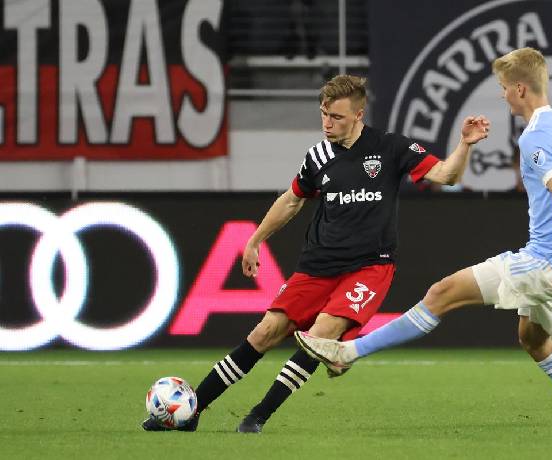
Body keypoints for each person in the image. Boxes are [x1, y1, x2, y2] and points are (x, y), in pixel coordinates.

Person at [295, 49, 552, 438]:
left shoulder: (535, 135)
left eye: (503, 88)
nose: (502, 96)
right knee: (534, 339)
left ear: (520, 88)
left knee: (441, 293)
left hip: (545, 262)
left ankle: (346, 352)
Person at [141, 74, 489, 433]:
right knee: (265, 333)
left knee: (319, 337)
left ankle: (257, 416)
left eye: (336, 117)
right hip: (318, 265)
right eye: (323, 114)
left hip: (369, 267)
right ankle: (193, 412)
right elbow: (291, 200)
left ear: (358, 114)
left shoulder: (390, 147)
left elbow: (447, 175)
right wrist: (255, 240)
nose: (327, 123)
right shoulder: (318, 156)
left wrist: (464, 144)